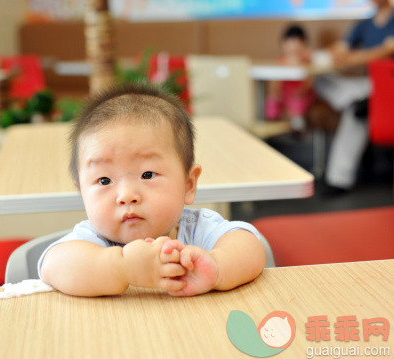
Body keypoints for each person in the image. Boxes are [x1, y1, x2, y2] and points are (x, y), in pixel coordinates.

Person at [38, 84, 267, 297]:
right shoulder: (91, 242)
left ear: (188, 185)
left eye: (147, 175)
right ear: (83, 194)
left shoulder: (197, 230)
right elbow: (53, 265)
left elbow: (251, 247)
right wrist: (123, 268)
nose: (126, 195)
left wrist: (217, 267)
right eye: (104, 180)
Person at [314, 0, 394, 193]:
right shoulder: (364, 24)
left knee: (355, 116)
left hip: (389, 87)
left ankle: (338, 180)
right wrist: (314, 56)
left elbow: (385, 51)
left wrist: (349, 58)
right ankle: (356, 102)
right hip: (367, 88)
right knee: (320, 79)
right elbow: (341, 48)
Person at [265, 24, 316, 132]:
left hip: (300, 94)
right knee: (271, 101)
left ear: (304, 44)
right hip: (284, 93)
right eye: (290, 42)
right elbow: (274, 83)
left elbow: (309, 81)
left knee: (296, 103)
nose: (294, 46)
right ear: (283, 44)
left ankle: (296, 127)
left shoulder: (307, 61)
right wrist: (275, 94)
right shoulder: (280, 61)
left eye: (298, 42)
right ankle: (272, 127)